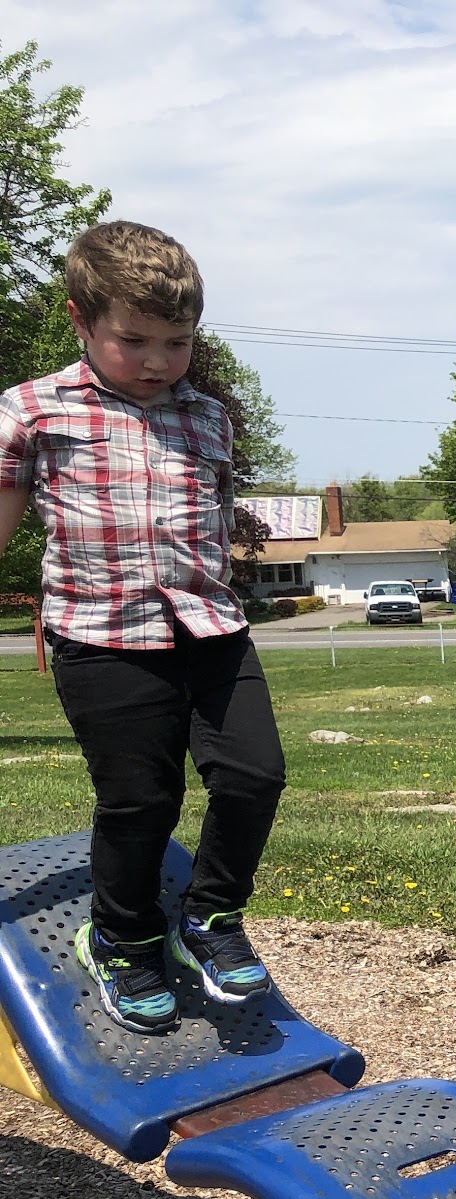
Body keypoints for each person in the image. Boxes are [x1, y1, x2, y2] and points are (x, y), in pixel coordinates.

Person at [0, 221, 284, 1031]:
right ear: (80, 320)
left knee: (253, 774)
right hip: (100, 634)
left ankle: (210, 917)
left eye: (178, 342)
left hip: (210, 626)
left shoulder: (207, 418)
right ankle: (122, 942)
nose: (158, 361)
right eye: (134, 340)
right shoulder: (31, 412)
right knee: (139, 799)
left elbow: (215, 519)